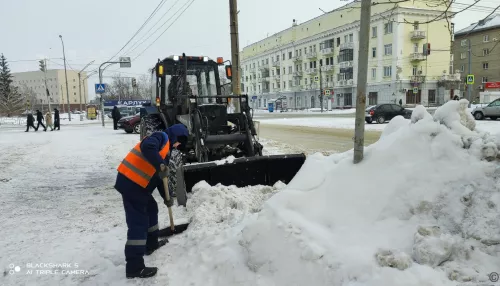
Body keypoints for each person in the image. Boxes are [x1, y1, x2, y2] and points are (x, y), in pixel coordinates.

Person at [115, 123, 189, 279]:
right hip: (130, 184)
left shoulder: (165, 152)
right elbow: (148, 147)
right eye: (179, 141)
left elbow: (161, 178)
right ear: (175, 136)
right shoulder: (160, 137)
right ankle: (134, 267)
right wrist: (160, 165)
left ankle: (151, 244)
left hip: (139, 187)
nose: (178, 145)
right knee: (138, 223)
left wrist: (167, 198)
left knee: (152, 209)